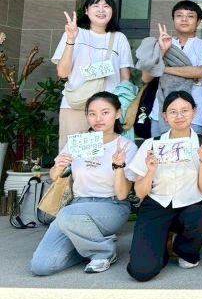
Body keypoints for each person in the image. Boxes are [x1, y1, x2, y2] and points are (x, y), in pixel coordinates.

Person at [30, 92, 135, 275]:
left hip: (111, 206)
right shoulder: (80, 142)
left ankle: (104, 252)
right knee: (41, 266)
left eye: (105, 112)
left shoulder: (126, 146)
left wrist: (119, 166)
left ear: (117, 113)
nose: (98, 119)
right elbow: (54, 176)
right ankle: (89, 246)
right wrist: (59, 166)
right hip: (76, 205)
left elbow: (122, 194)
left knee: (66, 214)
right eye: (92, 113)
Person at [126, 91, 202, 282]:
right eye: (173, 112)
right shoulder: (152, 144)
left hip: (190, 205)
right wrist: (150, 171)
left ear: (194, 112)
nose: (179, 116)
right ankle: (162, 246)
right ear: (165, 116)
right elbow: (140, 192)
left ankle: (183, 249)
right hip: (157, 205)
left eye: (185, 110)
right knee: (141, 272)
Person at [53, 0, 133, 149]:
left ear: (112, 11)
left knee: (104, 156)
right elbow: (62, 73)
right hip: (76, 105)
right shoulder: (75, 33)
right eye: (96, 5)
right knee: (72, 155)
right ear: (87, 10)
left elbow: (125, 78)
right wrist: (71, 40)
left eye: (106, 6)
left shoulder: (119, 38)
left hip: (106, 111)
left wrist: (122, 107)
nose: (101, 10)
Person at [143, 0, 202, 137]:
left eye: (190, 16)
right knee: (159, 149)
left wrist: (163, 69)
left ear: (198, 21)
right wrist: (162, 51)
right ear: (173, 19)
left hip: (193, 117)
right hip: (161, 114)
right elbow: (146, 77)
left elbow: (201, 71)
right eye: (179, 15)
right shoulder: (162, 43)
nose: (184, 19)